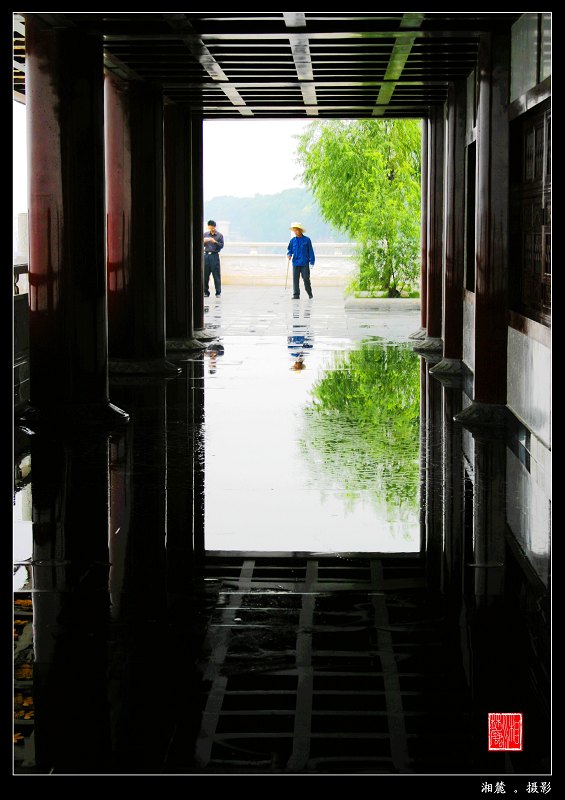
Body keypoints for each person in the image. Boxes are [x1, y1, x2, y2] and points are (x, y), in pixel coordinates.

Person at [287, 222, 315, 299]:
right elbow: (289, 249)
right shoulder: (292, 241)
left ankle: (309, 292)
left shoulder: (307, 240)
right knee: (295, 279)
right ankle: (296, 295)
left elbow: (311, 251)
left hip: (304, 263)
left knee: (306, 278)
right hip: (295, 263)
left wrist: (312, 262)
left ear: (300, 230)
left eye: (296, 230)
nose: (295, 232)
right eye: (294, 231)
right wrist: (289, 254)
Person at [204, 219, 224, 297]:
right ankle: (205, 291)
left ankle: (218, 292)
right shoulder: (205, 234)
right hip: (206, 256)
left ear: (214, 227)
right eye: (209, 227)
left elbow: (221, 246)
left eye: (212, 227)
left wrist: (214, 241)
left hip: (214, 256)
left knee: (216, 275)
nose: (211, 229)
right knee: (205, 275)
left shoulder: (219, 235)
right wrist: (204, 242)